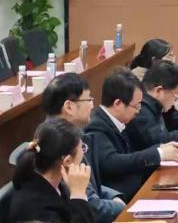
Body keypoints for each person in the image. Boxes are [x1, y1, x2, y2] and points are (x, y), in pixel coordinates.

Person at [84, 68, 178, 201]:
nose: (138, 111)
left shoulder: (118, 120)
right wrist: (159, 153)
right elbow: (111, 162)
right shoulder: (97, 126)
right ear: (118, 104)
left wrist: (160, 147)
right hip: (121, 198)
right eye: (136, 106)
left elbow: (132, 154)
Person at [42, 73, 125, 223]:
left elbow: (90, 185)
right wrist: (120, 207)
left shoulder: (73, 135)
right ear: (69, 106)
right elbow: (89, 205)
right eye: (89, 99)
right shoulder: (58, 146)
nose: (93, 105)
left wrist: (114, 197)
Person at [8, 117, 96, 223]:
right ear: (67, 161)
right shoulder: (37, 210)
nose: (83, 151)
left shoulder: (55, 182)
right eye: (82, 148)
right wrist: (78, 195)